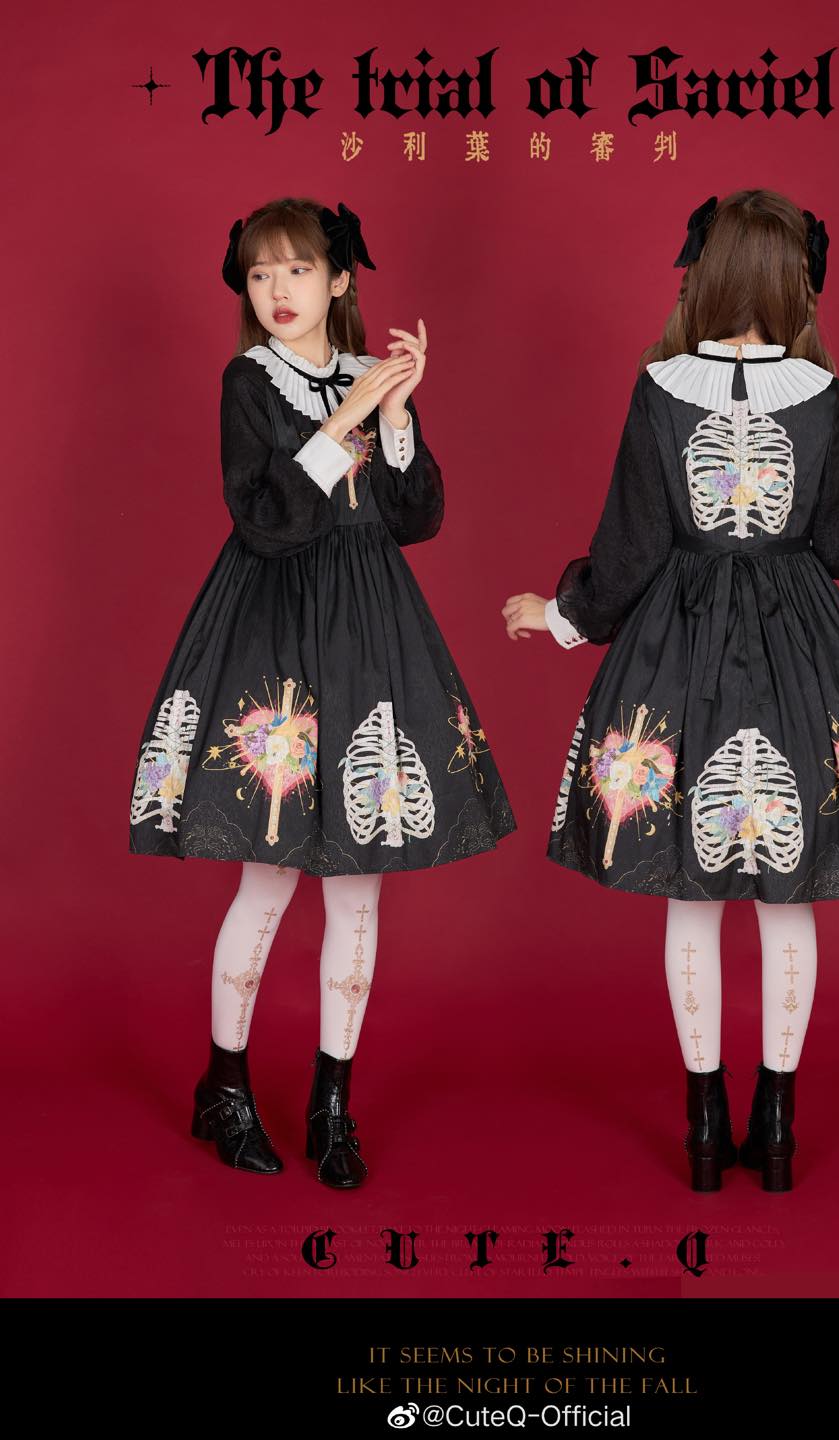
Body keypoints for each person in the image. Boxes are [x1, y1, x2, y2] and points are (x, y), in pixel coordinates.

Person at [502, 189, 839, 1193]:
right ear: (795, 282)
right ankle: (775, 1127)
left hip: (681, 646)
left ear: (702, 275)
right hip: (801, 650)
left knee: (689, 890)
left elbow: (630, 549)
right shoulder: (820, 394)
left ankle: (704, 1126)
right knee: (792, 895)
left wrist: (562, 616)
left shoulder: (660, 390)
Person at [129, 196, 517, 1186]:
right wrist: (343, 420)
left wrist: (394, 414)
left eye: (298, 270)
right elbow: (265, 520)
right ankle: (226, 1087)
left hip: (369, 630)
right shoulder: (248, 380)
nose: (277, 290)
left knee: (358, 883)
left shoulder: (370, 374)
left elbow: (416, 518)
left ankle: (332, 1102)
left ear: (339, 280)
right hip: (272, 627)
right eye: (261, 274)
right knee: (267, 874)